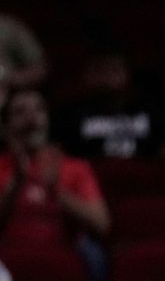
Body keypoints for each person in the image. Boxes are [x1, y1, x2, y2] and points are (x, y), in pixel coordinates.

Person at [0, 88, 110, 280]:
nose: (31, 118)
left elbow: (101, 224)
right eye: (20, 112)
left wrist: (55, 191)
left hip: (62, 260)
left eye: (38, 110)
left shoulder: (74, 167)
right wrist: (16, 184)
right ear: (6, 126)